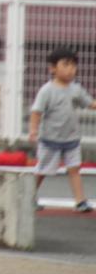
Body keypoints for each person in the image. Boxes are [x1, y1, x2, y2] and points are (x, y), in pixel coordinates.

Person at [29, 46, 96, 213]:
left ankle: (80, 201)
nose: (71, 69)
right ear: (52, 68)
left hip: (71, 139)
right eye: (65, 65)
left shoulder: (76, 89)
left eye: (73, 65)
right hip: (50, 139)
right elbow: (36, 112)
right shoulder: (46, 91)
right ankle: (28, 197)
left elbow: (89, 103)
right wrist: (33, 130)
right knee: (42, 170)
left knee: (74, 169)